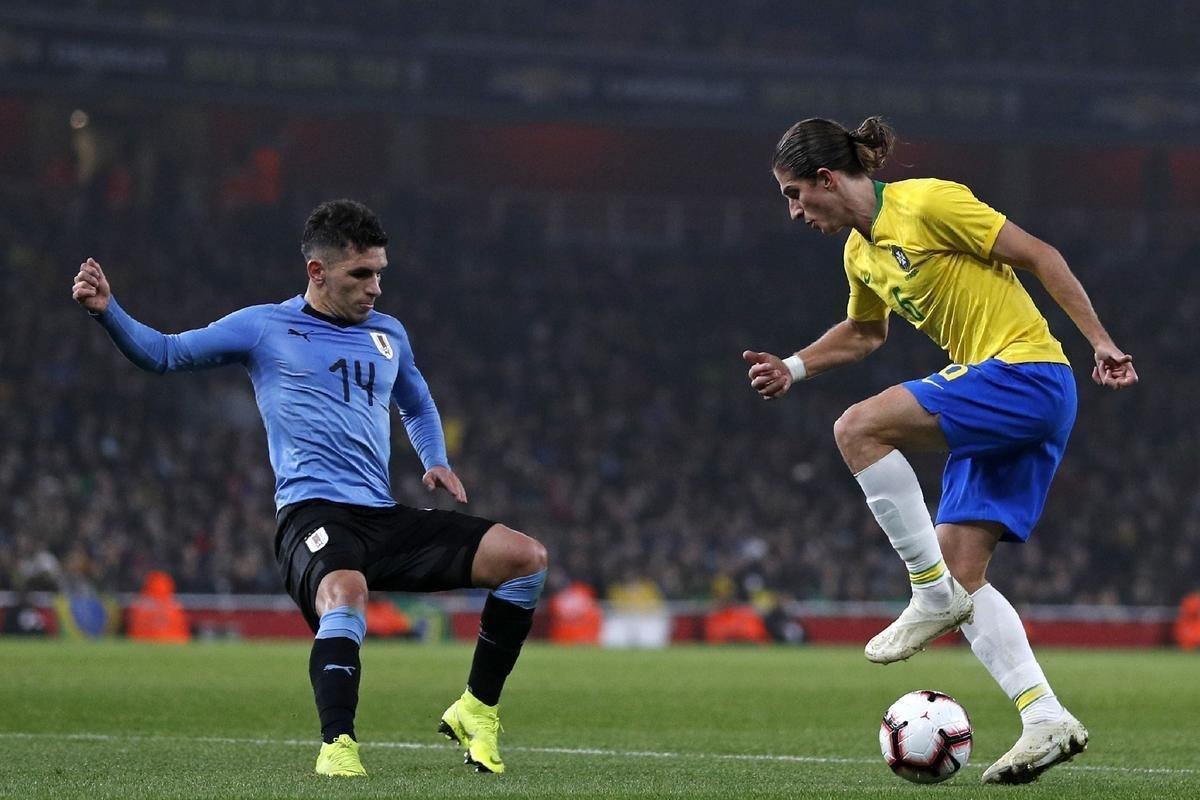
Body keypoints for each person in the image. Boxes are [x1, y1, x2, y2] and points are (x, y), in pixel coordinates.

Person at [73, 199, 548, 778]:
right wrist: (108, 311)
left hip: (381, 516)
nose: (375, 288)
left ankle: (478, 709)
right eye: (361, 275)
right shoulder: (264, 327)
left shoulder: (388, 334)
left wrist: (436, 459)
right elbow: (166, 354)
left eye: (379, 273)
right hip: (311, 516)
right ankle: (337, 744)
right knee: (345, 590)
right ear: (317, 272)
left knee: (526, 559)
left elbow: (417, 401)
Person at [743, 117, 1137, 784]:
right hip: (1003, 396)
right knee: (966, 574)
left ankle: (927, 595)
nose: (792, 211)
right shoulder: (860, 254)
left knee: (857, 429)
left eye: (793, 193)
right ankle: (1046, 717)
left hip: (1026, 374)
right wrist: (795, 366)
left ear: (826, 179)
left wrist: (1099, 340)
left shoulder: (927, 201)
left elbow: (1041, 254)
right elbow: (866, 334)